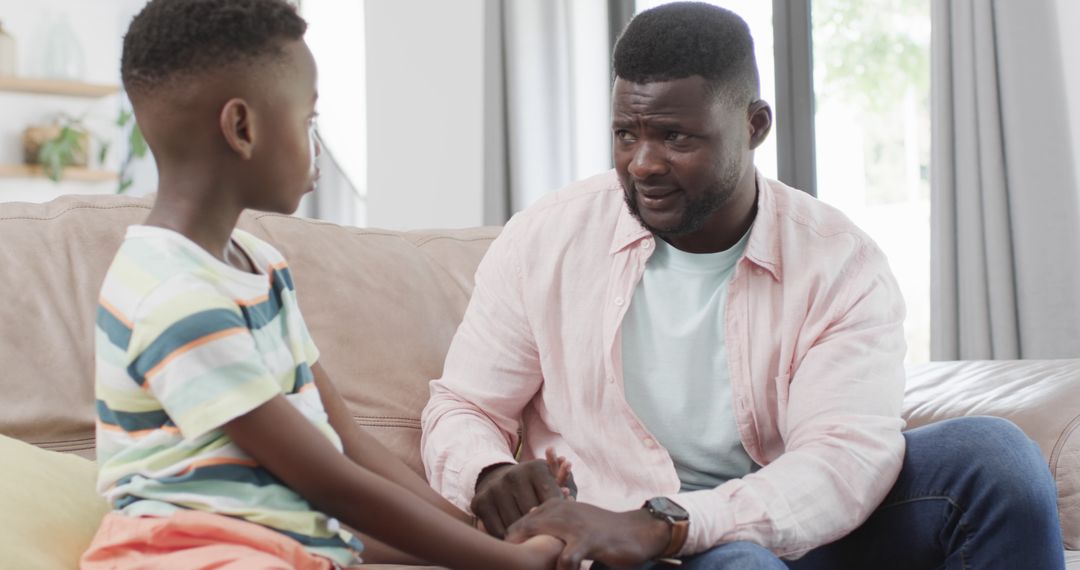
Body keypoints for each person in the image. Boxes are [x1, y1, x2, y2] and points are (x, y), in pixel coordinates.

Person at [421, 2, 1066, 569]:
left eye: (675, 136)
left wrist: (670, 524)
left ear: (755, 125)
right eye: (626, 133)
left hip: (786, 526)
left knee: (996, 457)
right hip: (616, 538)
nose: (642, 164)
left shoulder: (838, 263)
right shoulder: (547, 239)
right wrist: (489, 471)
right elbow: (463, 407)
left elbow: (843, 460)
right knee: (740, 564)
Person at [81, 1, 564, 568]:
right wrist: (512, 563)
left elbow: (348, 442)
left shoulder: (258, 265)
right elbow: (328, 479)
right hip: (187, 550)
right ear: (243, 128)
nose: (317, 147)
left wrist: (480, 537)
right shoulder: (175, 296)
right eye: (309, 120)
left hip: (278, 543)